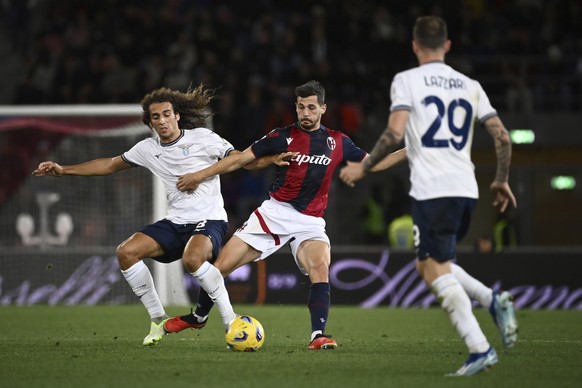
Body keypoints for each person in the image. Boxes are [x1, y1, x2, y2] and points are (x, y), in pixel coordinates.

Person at [32, 85, 291, 346]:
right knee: (126, 252)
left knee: (193, 258)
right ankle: (158, 318)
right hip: (176, 222)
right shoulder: (147, 148)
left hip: (209, 219)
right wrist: (63, 170)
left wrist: (267, 161)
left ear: (177, 115)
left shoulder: (203, 137)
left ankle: (230, 320)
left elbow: (239, 159)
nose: (162, 120)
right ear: (150, 122)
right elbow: (109, 165)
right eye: (156, 117)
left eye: (167, 114)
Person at [339, 16, 518, 376]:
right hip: (466, 189)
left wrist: (363, 166)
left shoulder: (407, 81)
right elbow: (502, 137)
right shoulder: (471, 85)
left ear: (415, 45)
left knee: (434, 270)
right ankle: (492, 299)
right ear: (447, 46)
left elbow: (393, 133)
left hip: (432, 190)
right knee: (429, 264)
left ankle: (479, 347)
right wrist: (500, 179)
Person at [165, 80, 403, 350]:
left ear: (322, 109)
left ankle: (318, 335)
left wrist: (410, 151)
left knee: (320, 267)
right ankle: (199, 316)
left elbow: (375, 163)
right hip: (274, 213)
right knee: (219, 269)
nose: (305, 113)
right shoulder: (281, 136)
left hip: (310, 221)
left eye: (311, 107)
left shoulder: (337, 142)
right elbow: (241, 159)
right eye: (300, 107)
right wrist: (199, 175)